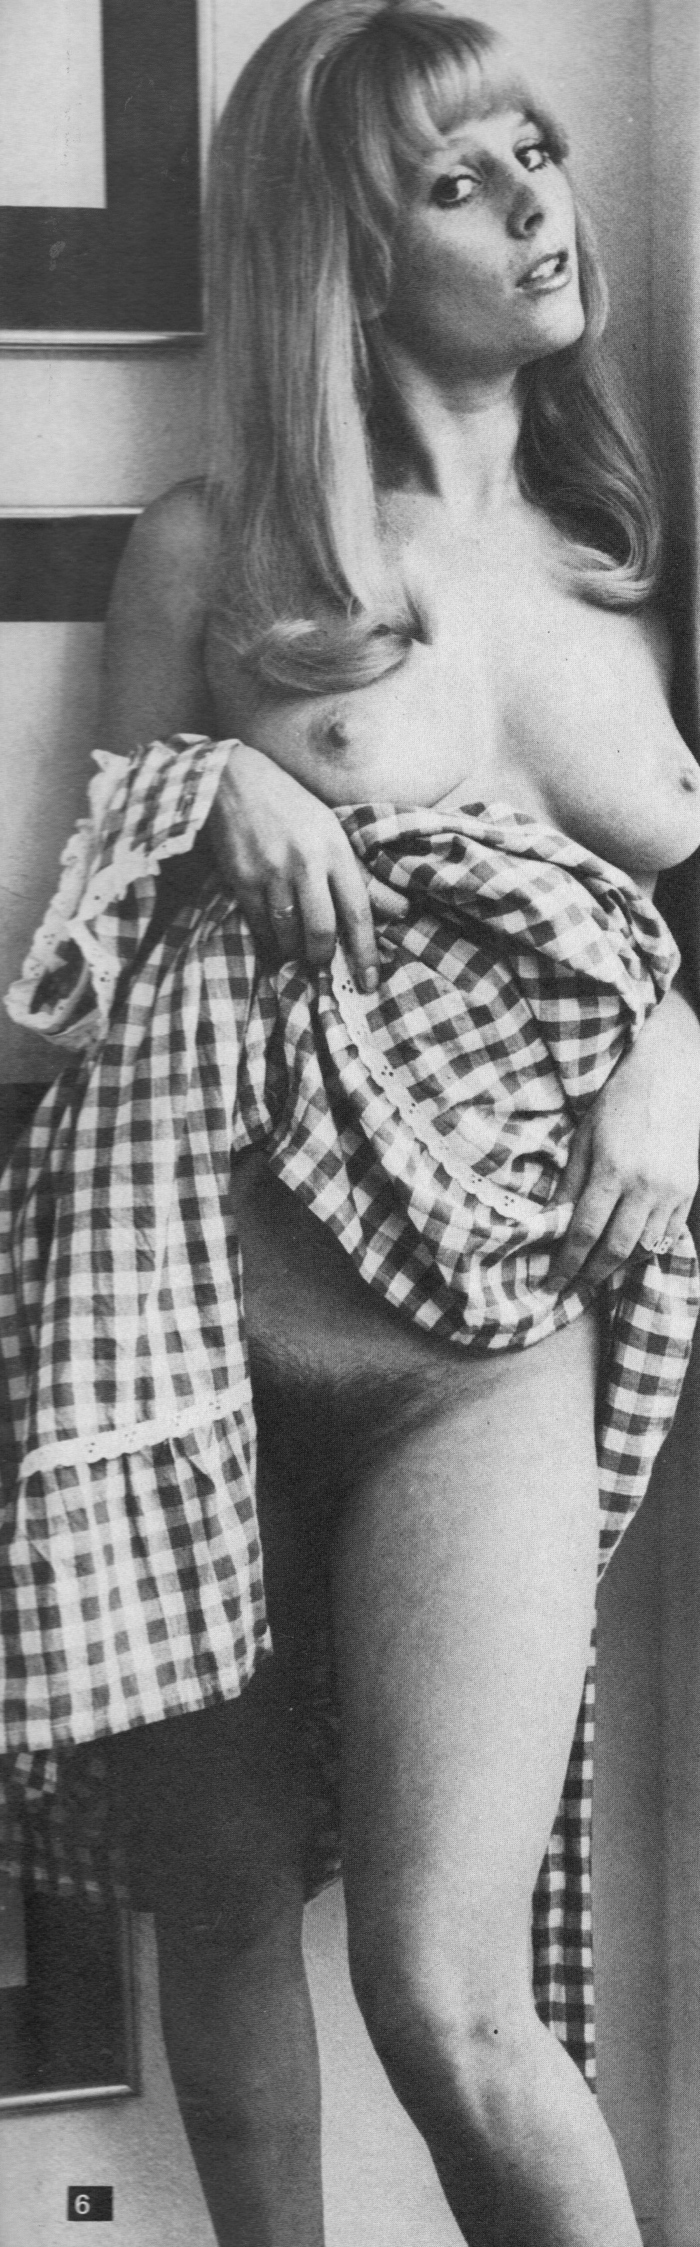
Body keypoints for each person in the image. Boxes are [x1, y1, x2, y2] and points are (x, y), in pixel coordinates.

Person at [2, 6, 700, 2244]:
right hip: (189, 1329)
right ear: (343, 253)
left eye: (532, 153)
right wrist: (212, 781)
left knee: (444, 1990)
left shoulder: (630, 553)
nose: (535, 209)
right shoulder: (212, 547)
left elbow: (664, 929)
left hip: (487, 1340)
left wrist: (677, 1053)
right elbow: (74, 946)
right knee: (217, 1921)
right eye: (454, 184)